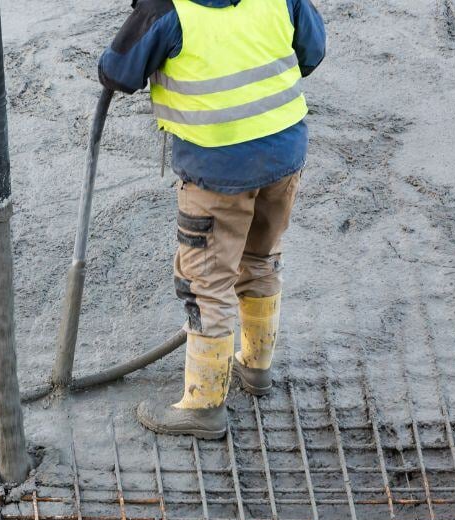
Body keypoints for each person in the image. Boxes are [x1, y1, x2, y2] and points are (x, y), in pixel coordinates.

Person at [98, 0, 326, 438]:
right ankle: (256, 368)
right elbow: (311, 53)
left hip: (218, 173)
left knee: (207, 284)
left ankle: (203, 405)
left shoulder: (168, 10)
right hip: (284, 154)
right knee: (261, 258)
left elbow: (118, 71)